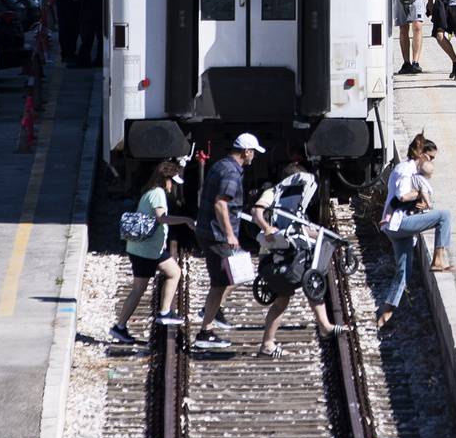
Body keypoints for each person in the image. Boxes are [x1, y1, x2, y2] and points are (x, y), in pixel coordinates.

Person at [255, 152, 350, 355]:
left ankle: (322, 326)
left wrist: (325, 234)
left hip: (286, 255)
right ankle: (268, 343)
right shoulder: (273, 193)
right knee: (293, 291)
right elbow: (257, 211)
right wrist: (266, 227)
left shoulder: (293, 205)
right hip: (274, 257)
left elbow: (299, 228)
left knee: (301, 287)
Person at [195, 133, 265, 349]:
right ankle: (205, 331)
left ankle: (212, 312)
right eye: (253, 152)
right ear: (247, 152)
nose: (253, 157)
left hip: (210, 231)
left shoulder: (221, 165)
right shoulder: (232, 174)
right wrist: (229, 234)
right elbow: (220, 204)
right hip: (217, 235)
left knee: (234, 274)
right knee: (222, 282)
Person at [108, 158, 190, 342]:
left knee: (174, 272)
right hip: (145, 251)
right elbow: (162, 218)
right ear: (165, 179)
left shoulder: (151, 191)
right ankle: (120, 326)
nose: (173, 186)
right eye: (172, 182)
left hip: (149, 249)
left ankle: (163, 312)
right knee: (139, 289)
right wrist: (185, 220)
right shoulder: (158, 193)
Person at [375, 134, 453, 327]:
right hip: (399, 223)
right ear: (421, 155)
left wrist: (419, 203)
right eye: (431, 157)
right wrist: (419, 195)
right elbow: (401, 196)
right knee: (444, 216)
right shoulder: (405, 170)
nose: (432, 162)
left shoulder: (413, 172)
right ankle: (438, 260)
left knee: (404, 272)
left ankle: (385, 314)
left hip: (397, 224)